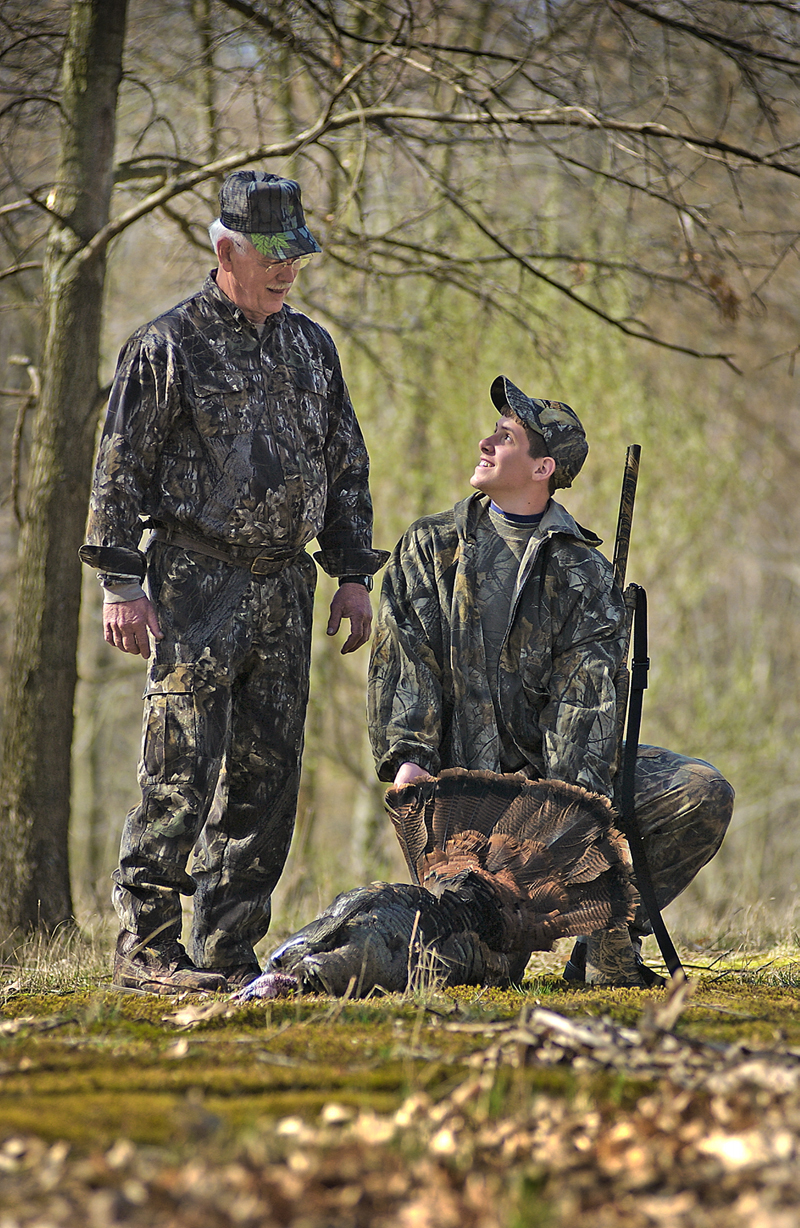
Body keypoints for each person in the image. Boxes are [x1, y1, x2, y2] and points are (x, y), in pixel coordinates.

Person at [81, 170, 388, 994]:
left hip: (286, 591)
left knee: (268, 777)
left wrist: (352, 573)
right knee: (179, 769)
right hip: (192, 582)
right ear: (226, 249)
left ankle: (227, 948)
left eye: (297, 257)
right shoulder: (166, 345)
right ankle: (147, 950)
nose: (288, 271)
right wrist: (120, 580)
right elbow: (119, 471)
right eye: (273, 256)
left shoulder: (312, 345)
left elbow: (345, 464)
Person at [367, 375, 734, 987]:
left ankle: (606, 939)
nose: (485, 442)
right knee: (470, 969)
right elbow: (403, 659)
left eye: (504, 436)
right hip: (462, 805)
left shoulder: (583, 573)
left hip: (557, 797)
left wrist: (571, 849)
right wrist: (409, 761)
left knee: (700, 790)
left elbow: (582, 723)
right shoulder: (429, 548)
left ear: (543, 467)